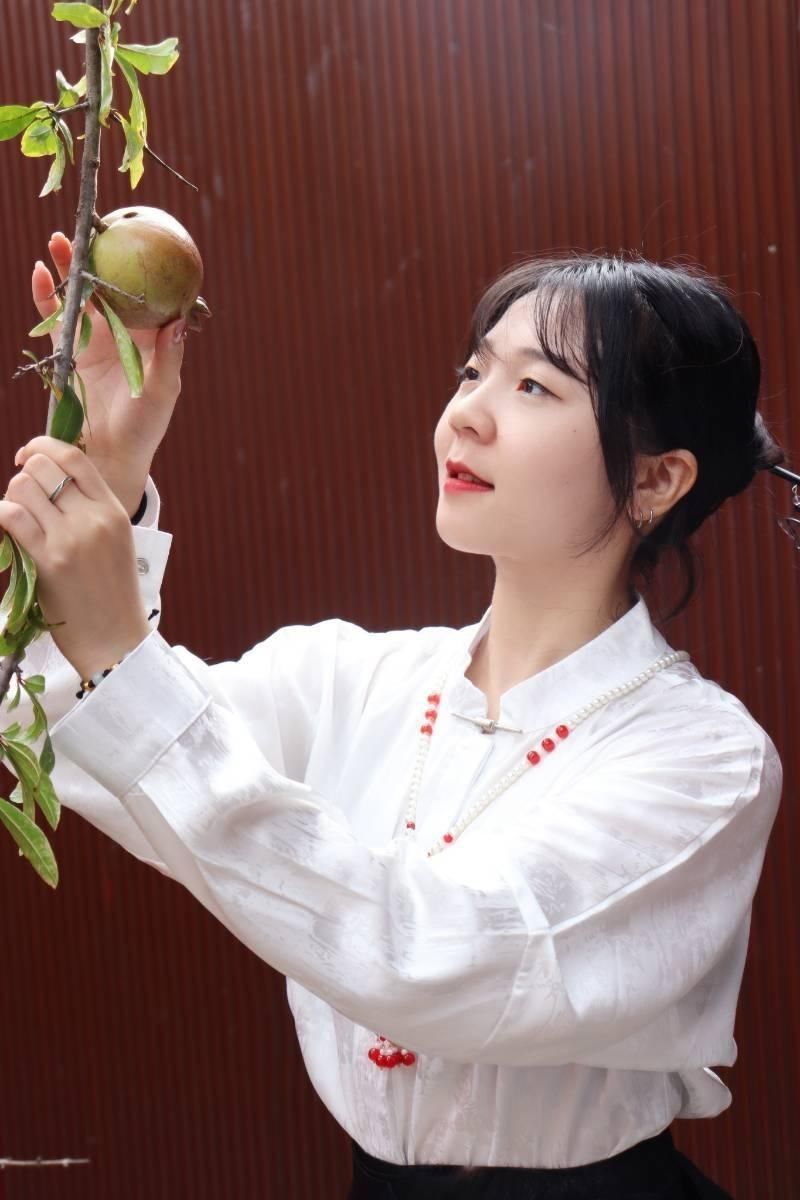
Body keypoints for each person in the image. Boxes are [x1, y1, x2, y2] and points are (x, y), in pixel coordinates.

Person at [2, 241, 784, 1199]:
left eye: (535, 389)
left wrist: (125, 652)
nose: (467, 414)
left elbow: (442, 959)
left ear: (657, 480)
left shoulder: (705, 759)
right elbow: (59, 733)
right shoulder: (347, 675)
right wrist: (111, 468)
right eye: (473, 371)